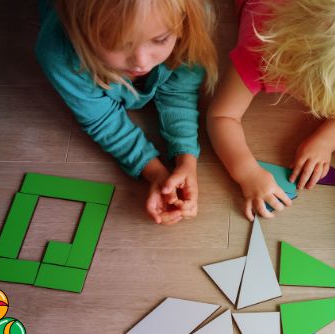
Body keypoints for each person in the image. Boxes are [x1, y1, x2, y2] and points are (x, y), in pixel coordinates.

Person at [207, 0, 335, 221]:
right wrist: (248, 173)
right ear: (293, 66)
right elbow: (221, 116)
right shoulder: (258, 53)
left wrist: (325, 141)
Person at [36, 0, 218, 225]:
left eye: (160, 39)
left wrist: (186, 159)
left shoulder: (192, 22)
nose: (141, 62)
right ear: (83, 32)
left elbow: (179, 91)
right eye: (119, 44)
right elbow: (102, 120)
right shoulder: (58, 52)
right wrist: (153, 172)